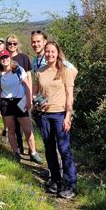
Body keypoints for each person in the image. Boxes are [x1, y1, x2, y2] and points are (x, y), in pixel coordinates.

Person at [34, 41, 78, 199]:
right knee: (49, 148)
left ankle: (70, 183)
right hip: (44, 115)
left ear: (58, 52)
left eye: (52, 51)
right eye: (47, 51)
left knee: (64, 149)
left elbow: (69, 96)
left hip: (60, 115)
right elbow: (35, 93)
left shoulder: (65, 71)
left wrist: (68, 116)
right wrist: (38, 102)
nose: (49, 54)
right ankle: (55, 180)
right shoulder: (39, 72)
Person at [6, 35, 42, 164]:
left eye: (14, 43)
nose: (12, 45)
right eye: (9, 43)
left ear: (18, 44)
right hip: (8, 98)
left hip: (22, 96)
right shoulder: (4, 58)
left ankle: (32, 151)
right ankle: (18, 150)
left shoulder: (23, 58)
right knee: (13, 127)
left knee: (27, 126)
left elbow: (28, 77)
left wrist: (30, 96)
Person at [0, 50, 32, 163]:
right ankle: (16, 153)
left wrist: (29, 99)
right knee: (11, 130)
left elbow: (26, 84)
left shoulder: (18, 69)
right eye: (2, 58)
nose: (4, 59)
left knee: (27, 129)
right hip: (6, 102)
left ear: (10, 57)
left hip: (20, 101)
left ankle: (33, 152)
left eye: (6, 57)